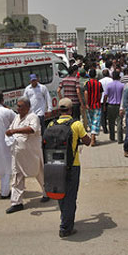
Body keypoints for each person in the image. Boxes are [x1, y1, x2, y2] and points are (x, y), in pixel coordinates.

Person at [49, 97, 91, 237]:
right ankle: (65, 227)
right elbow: (87, 141)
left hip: (55, 165)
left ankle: (65, 218)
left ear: (59, 110)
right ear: (71, 110)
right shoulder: (76, 124)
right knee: (71, 196)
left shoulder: (51, 124)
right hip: (72, 166)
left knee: (61, 194)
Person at [5, 96, 48, 214]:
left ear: (27, 107)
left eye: (20, 106)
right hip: (17, 154)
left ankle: (47, 193)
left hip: (32, 153)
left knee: (39, 173)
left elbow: (32, 129)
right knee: (16, 177)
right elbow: (11, 129)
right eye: (17, 106)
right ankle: (16, 203)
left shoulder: (33, 117)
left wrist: (14, 131)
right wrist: (9, 133)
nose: (18, 108)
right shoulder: (17, 118)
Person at [103, 71, 125, 143]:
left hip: (110, 105)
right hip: (119, 105)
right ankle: (120, 138)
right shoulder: (122, 85)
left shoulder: (109, 85)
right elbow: (124, 96)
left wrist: (104, 105)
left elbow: (105, 96)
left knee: (111, 122)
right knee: (119, 122)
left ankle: (112, 137)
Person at [84, 68, 104, 146]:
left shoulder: (87, 84)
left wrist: (86, 103)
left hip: (89, 105)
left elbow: (86, 93)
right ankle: (93, 138)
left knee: (91, 121)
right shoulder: (99, 84)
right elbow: (101, 93)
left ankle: (92, 138)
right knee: (96, 121)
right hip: (97, 105)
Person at [99, 69, 113, 134]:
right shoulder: (111, 80)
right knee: (110, 115)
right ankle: (111, 128)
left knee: (103, 115)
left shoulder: (100, 81)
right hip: (110, 100)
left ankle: (105, 129)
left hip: (102, 100)